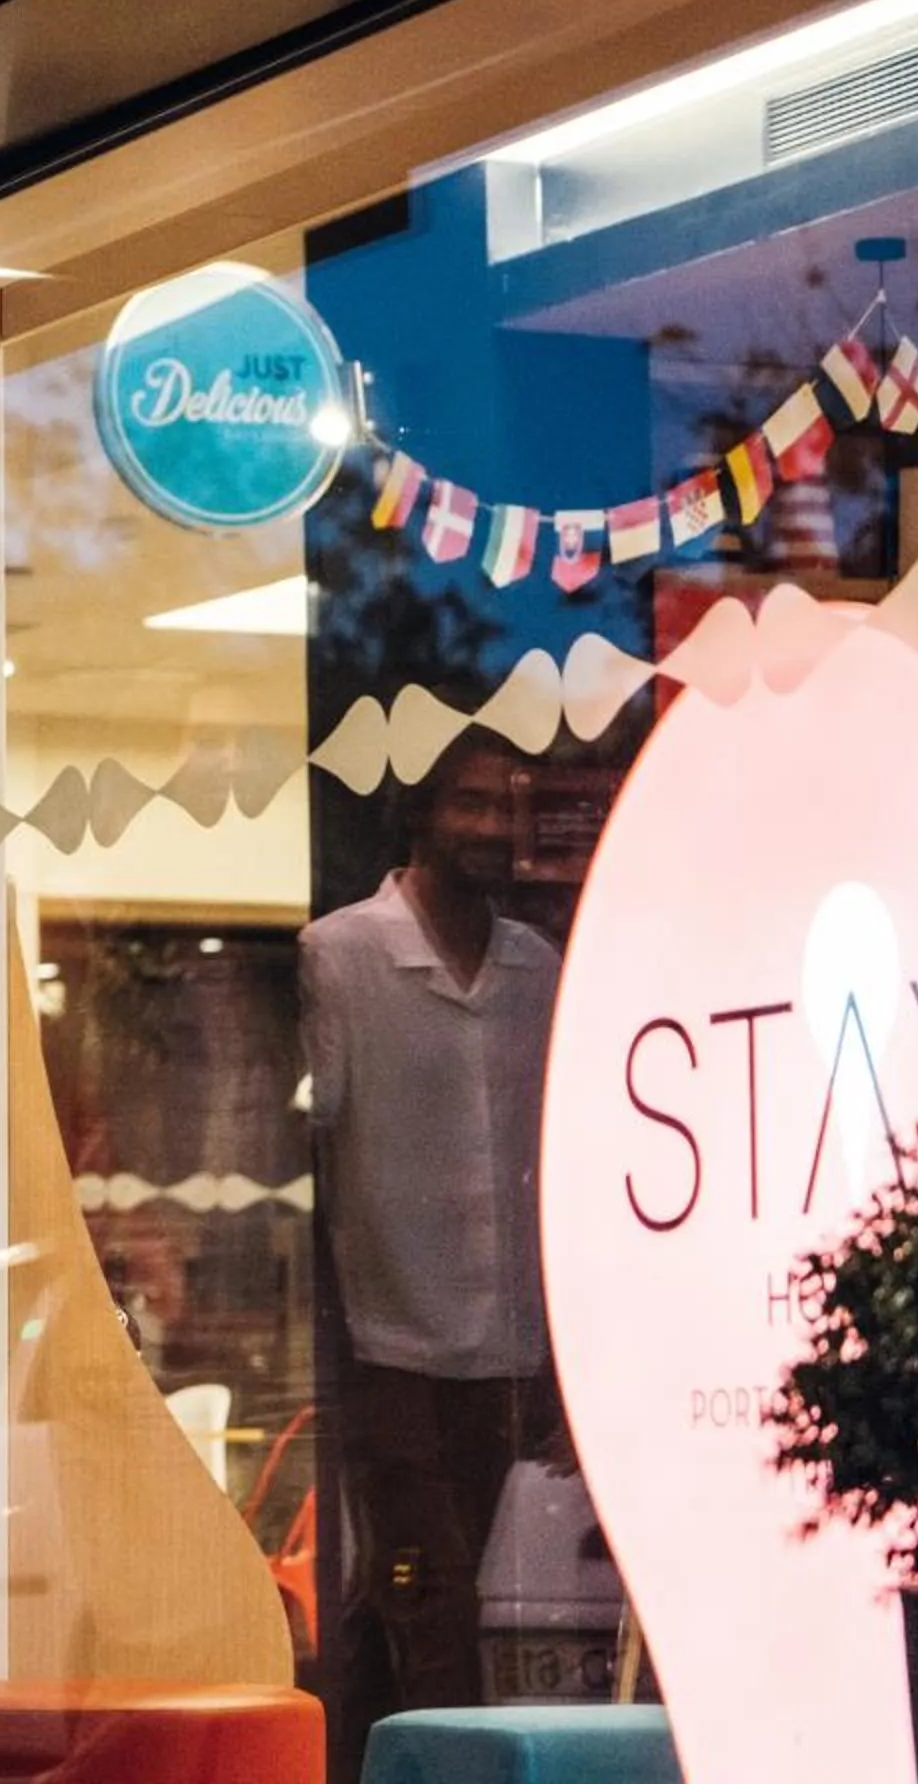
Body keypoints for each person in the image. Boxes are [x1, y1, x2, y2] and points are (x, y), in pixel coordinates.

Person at [302, 729, 564, 1733]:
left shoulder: (535, 967)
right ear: (420, 811)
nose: (492, 826)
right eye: (469, 802)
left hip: (511, 1357)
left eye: (508, 804)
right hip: (392, 1346)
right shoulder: (342, 952)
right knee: (441, 1608)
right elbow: (313, 1146)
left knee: (399, 1606)